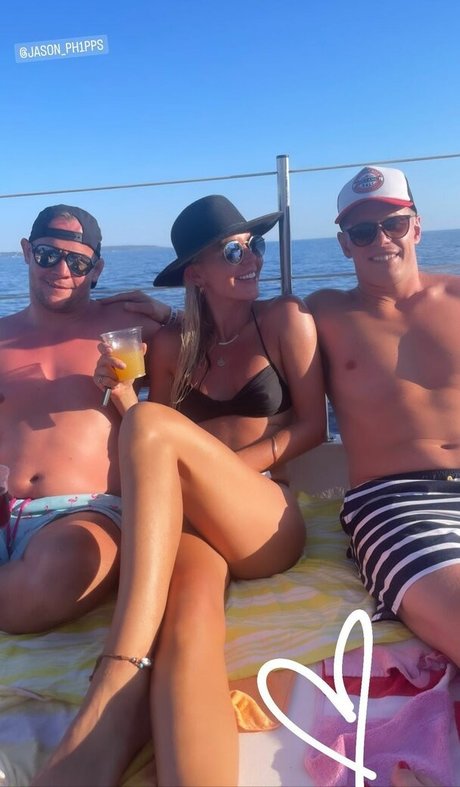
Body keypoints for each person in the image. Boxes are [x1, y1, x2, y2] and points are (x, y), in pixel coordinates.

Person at [34, 195, 326, 786]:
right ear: (196, 274)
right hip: (192, 519)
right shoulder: (173, 344)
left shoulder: (284, 319)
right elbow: (153, 442)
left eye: (255, 246)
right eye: (233, 252)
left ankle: (115, 671)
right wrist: (122, 397)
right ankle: (128, 737)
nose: (253, 259)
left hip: (262, 515)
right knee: (186, 630)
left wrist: (223, 470)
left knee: (150, 420)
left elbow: (313, 428)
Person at [307, 165, 460, 667]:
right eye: (362, 232)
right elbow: (239, 333)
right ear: (344, 245)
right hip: (396, 500)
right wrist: (169, 317)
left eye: (394, 224)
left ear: (416, 227)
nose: (382, 240)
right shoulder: (320, 314)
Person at [0, 203, 170, 634]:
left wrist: (171, 315)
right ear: (26, 251)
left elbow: (216, 340)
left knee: (66, 569)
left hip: (80, 514)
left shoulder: (130, 327)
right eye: (47, 255)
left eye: (77, 262)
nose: (61, 270)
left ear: (96, 270)